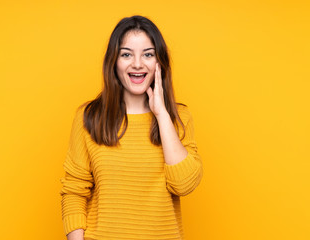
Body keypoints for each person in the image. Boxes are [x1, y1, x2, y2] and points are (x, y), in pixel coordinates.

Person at [60, 15, 203, 240]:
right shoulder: (89, 117)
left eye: (148, 54)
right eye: (126, 54)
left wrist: (161, 114)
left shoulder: (178, 117)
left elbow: (183, 185)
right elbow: (74, 191)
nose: (137, 64)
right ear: (114, 62)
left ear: (160, 62)